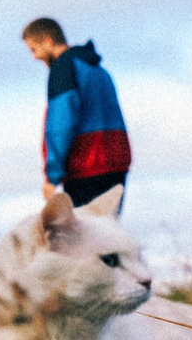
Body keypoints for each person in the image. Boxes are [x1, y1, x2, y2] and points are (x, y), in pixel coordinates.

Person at [23, 17, 129, 208]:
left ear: (48, 40)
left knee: (84, 236)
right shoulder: (98, 69)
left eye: (34, 49)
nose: (34, 57)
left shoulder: (63, 68)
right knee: (107, 231)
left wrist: (52, 177)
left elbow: (61, 124)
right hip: (116, 164)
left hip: (86, 167)